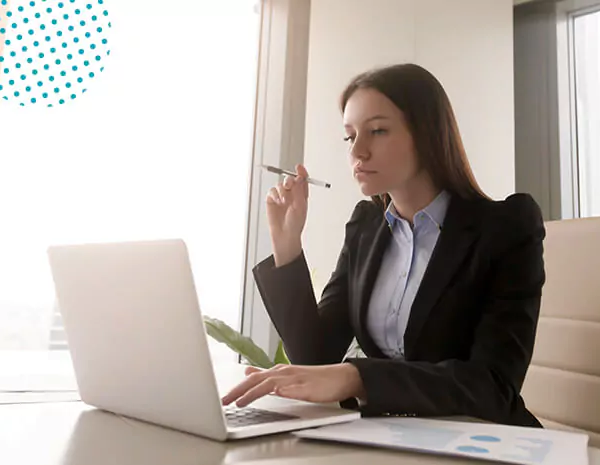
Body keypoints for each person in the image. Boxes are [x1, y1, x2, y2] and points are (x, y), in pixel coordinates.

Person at [221, 63, 545, 427]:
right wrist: (288, 244)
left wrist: (359, 377)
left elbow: (492, 386)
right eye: (349, 136)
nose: (357, 151)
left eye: (377, 131)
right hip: (391, 435)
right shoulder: (367, 227)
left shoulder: (506, 227)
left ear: (427, 134)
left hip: (483, 439)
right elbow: (314, 356)